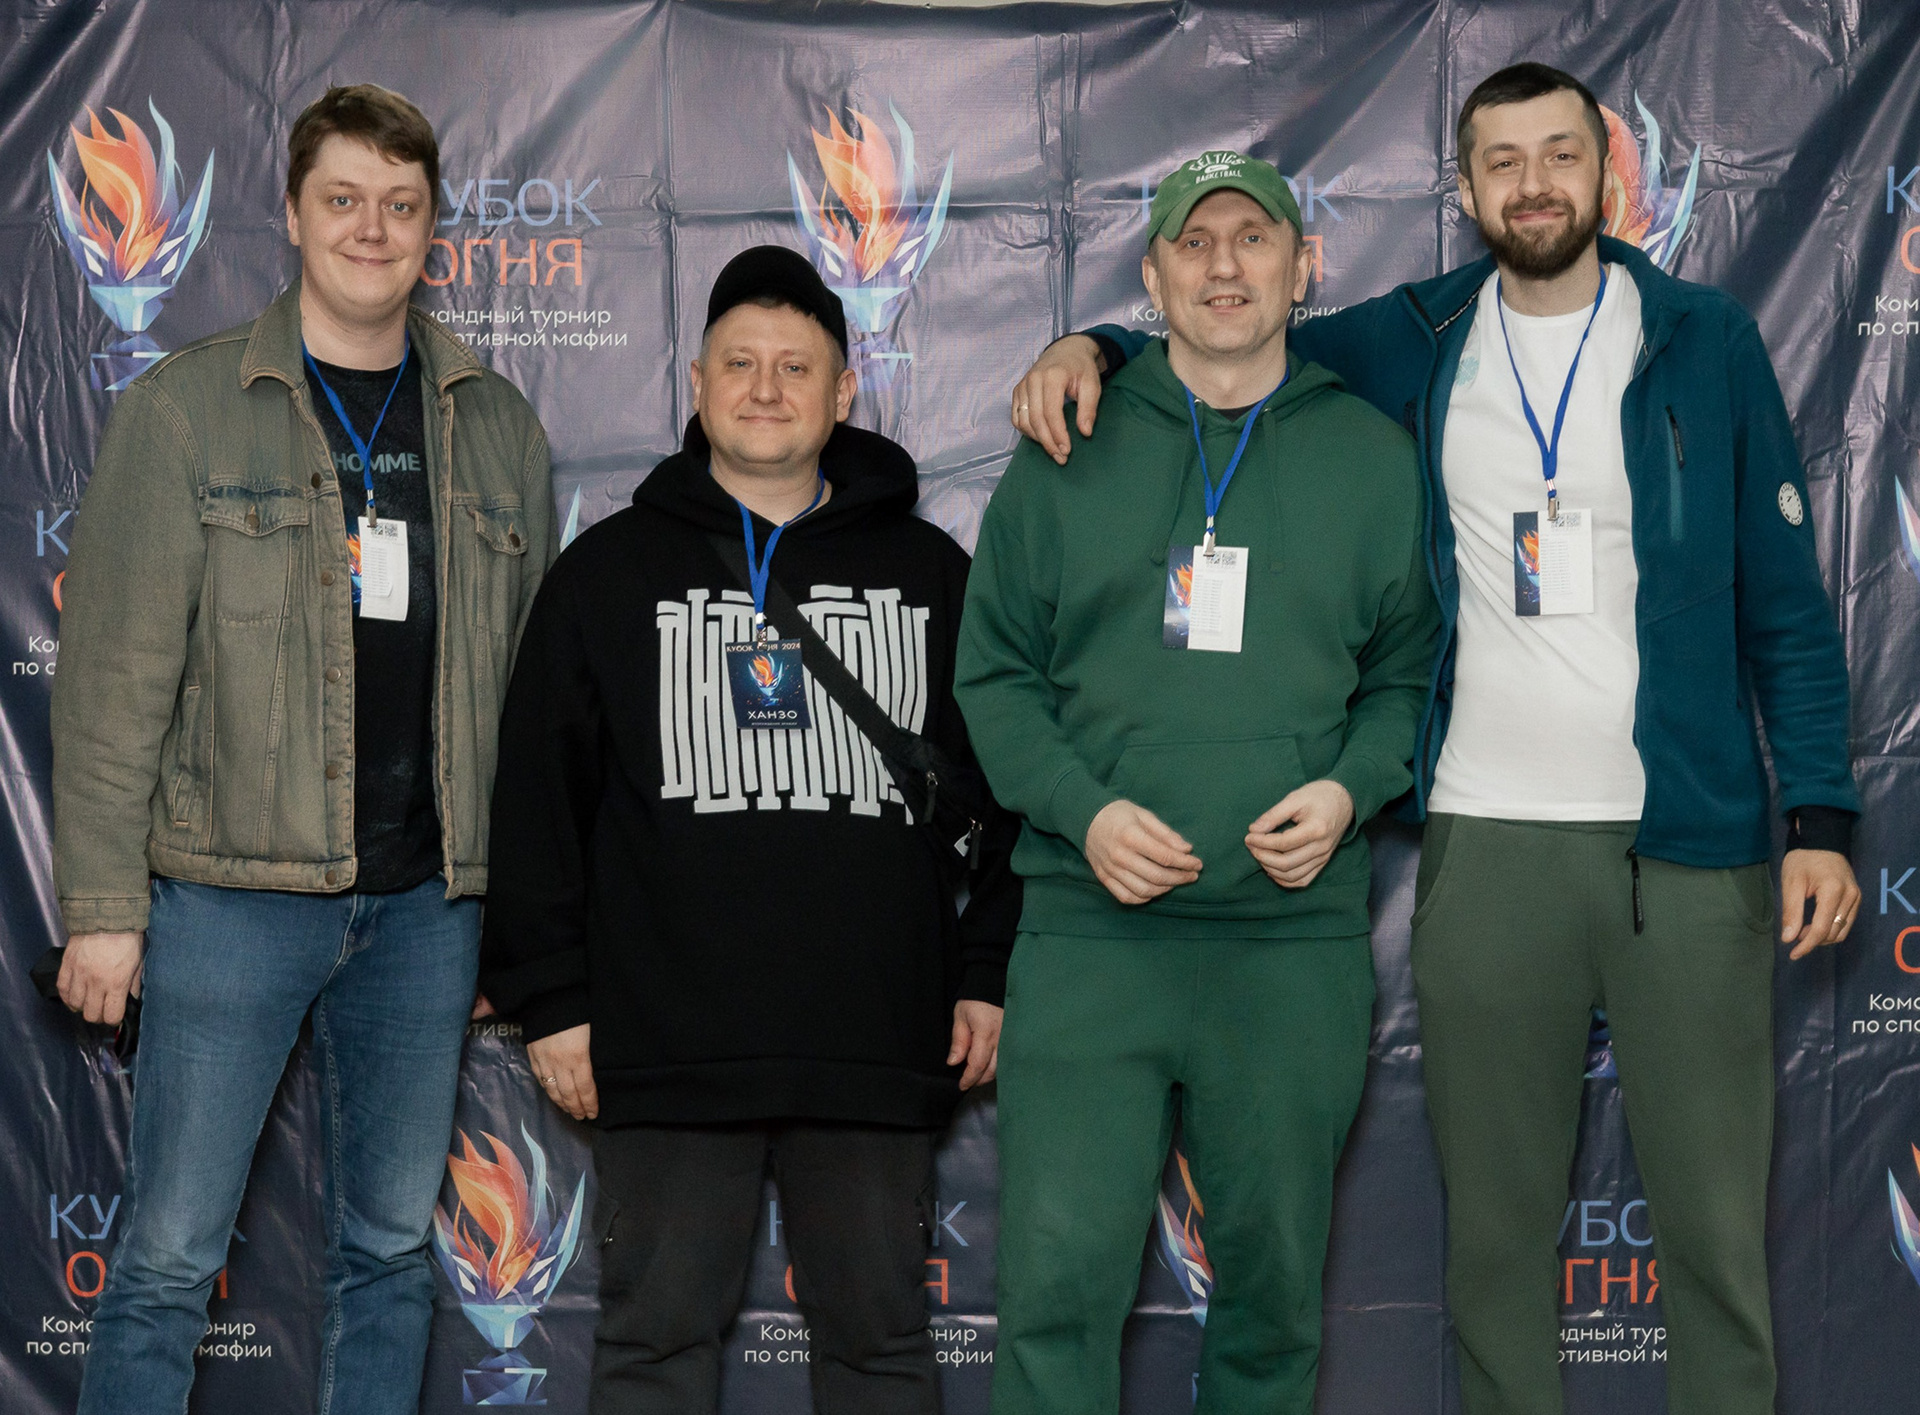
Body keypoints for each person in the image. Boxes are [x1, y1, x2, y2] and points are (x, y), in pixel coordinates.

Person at [1008, 64, 1860, 1415]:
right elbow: (1228, 329)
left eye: (1559, 154)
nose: (1535, 184)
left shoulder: (1707, 339)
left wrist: (1817, 810)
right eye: (1503, 161)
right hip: (1485, 838)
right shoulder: (1411, 336)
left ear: (1607, 173)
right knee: (1496, 1252)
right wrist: (1093, 347)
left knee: (1713, 1240)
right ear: (1467, 191)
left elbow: (1789, 606)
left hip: (1689, 847)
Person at [49, 84, 555, 1415]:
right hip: (229, 899)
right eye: (343, 199)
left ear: (432, 229)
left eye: (399, 205)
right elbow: (110, 681)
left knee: (388, 1252)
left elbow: (531, 703)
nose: (370, 229)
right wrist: (102, 906)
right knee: (168, 1255)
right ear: (290, 213)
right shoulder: (185, 411)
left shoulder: (498, 426)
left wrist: (513, 914)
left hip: (426, 912)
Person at [477, 245, 1019, 1415]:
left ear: (844, 391)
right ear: (696, 381)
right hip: (669, 1036)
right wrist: (554, 998)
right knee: (654, 1346)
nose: (765, 388)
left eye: (795, 366)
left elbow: (1010, 789)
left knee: (880, 1345)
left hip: (873, 1034)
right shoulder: (608, 571)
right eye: (739, 363)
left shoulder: (931, 573)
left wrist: (986, 971)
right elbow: (537, 801)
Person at [956, 152, 1438, 1414]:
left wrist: (1349, 790)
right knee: (1056, 1296)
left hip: (1289, 948)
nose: (1225, 265)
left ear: (1303, 266)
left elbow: (1406, 679)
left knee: (1273, 1306)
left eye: (1253, 238)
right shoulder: (1068, 442)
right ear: (1154, 274)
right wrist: (1085, 810)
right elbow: (993, 675)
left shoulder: (1372, 457)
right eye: (1195, 241)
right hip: (1091, 939)